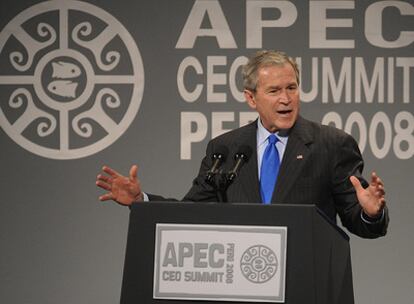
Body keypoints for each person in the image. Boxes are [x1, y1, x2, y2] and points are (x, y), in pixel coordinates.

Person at [96, 50, 388, 238]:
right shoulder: (225, 148)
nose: (286, 99)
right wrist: (141, 201)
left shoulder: (332, 144)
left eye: (292, 88)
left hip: (305, 281)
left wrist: (370, 213)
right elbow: (194, 212)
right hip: (241, 285)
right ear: (251, 98)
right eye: (274, 91)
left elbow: (358, 221)